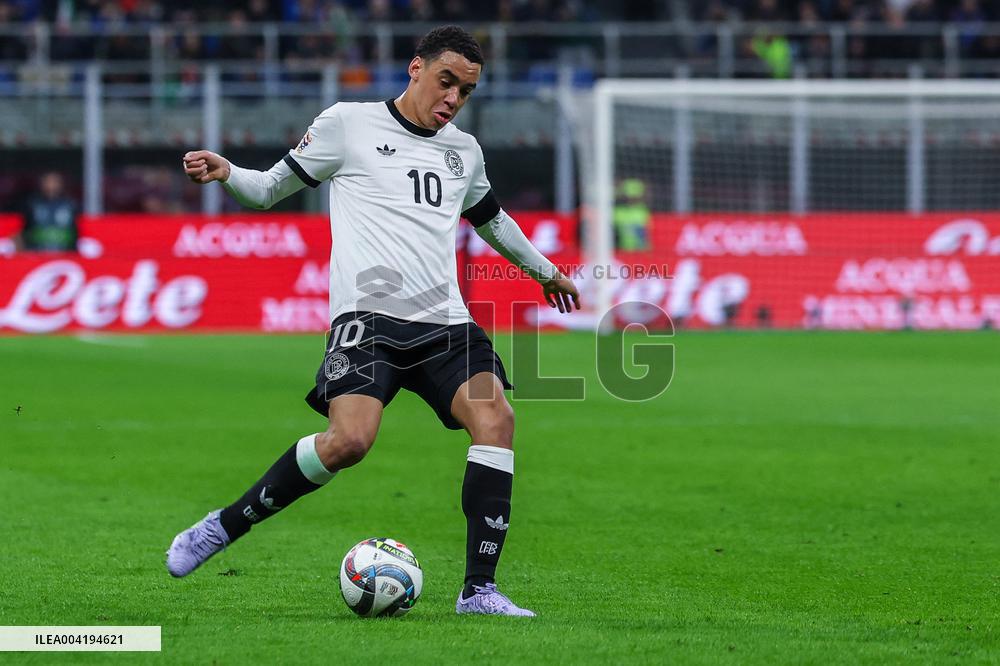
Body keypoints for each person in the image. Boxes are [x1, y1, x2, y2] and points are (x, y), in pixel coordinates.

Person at [167, 25, 580, 617]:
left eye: (465, 92)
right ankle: (223, 527)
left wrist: (544, 271)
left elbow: (492, 219)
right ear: (416, 68)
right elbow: (268, 190)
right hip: (369, 320)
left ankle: (479, 591)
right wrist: (228, 173)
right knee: (349, 443)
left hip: (445, 323)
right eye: (446, 82)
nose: (452, 100)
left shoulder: (463, 151)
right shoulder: (347, 124)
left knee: (497, 419)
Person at [19, 172, 78, 253]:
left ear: (61, 184)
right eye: (48, 181)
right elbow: (21, 230)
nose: (51, 185)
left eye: (54, 181)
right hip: (37, 253)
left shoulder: (71, 204)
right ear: (42, 184)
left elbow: (78, 230)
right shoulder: (31, 204)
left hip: (65, 253)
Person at [613, 178, 650, 252]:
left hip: (640, 252)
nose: (630, 199)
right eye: (629, 197)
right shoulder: (617, 211)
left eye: (634, 197)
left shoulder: (643, 212)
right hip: (621, 251)